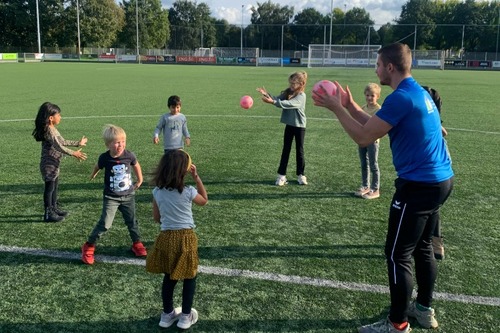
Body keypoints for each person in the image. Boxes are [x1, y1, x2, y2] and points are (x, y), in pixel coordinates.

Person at [312, 43, 454, 333]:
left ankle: (397, 323)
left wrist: (336, 108)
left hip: (419, 185)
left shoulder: (402, 97)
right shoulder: (414, 93)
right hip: (440, 181)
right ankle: (424, 310)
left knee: (397, 254)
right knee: (423, 247)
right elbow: (378, 125)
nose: (375, 70)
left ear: (390, 67)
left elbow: (364, 137)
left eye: (377, 65)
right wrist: (351, 106)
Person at [146, 150, 208, 329]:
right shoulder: (189, 191)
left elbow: (157, 218)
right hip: (186, 238)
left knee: (169, 276)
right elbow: (204, 200)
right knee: (190, 276)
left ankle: (167, 315)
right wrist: (197, 179)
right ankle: (185, 316)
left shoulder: (157, 192)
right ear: (184, 171)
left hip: (166, 238)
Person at [82, 124, 146, 265]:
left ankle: (136, 243)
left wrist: (140, 179)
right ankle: (89, 245)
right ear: (108, 145)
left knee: (132, 221)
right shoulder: (105, 158)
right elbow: (98, 166)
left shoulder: (129, 155)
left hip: (128, 195)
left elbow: (136, 165)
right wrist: (93, 174)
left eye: (123, 141)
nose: (121, 145)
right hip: (111, 197)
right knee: (105, 224)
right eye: (117, 142)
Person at [32, 102, 87, 223]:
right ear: (51, 118)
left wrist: (78, 143)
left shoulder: (52, 129)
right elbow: (58, 146)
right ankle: (48, 213)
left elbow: (62, 141)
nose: (60, 117)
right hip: (48, 164)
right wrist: (74, 153)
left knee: (55, 186)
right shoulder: (49, 130)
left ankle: (54, 208)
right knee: (50, 187)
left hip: (54, 163)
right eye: (59, 115)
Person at [256, 71, 308, 186]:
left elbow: (288, 104)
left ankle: (301, 175)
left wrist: (272, 102)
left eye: (294, 84)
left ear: (301, 84)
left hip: (299, 126)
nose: (291, 86)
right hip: (289, 124)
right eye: (290, 83)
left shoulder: (301, 96)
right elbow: (277, 98)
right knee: (286, 150)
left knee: (299, 151)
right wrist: (266, 94)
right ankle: (281, 176)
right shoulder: (288, 92)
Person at [422, 85, 447, 260]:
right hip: (443, 173)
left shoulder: (428, 122)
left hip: (431, 173)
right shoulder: (433, 120)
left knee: (430, 208)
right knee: (432, 208)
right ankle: (435, 243)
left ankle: (435, 243)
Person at [354, 83, 382, 200]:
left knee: (373, 164)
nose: (369, 98)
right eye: (367, 95)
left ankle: (375, 188)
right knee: (363, 164)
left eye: (372, 95)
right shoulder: (363, 108)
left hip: (373, 141)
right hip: (362, 139)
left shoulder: (379, 110)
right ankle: (365, 185)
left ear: (378, 96)